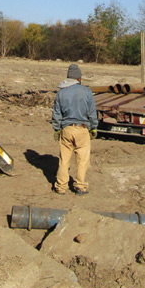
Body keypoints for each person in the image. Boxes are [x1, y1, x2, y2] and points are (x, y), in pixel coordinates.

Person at [52, 63, 98, 195]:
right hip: (82, 129)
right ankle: (80, 186)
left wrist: (56, 129)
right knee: (82, 160)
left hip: (66, 129)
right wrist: (94, 127)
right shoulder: (87, 91)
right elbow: (92, 112)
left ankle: (61, 187)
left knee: (64, 159)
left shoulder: (61, 93)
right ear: (78, 78)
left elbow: (57, 113)